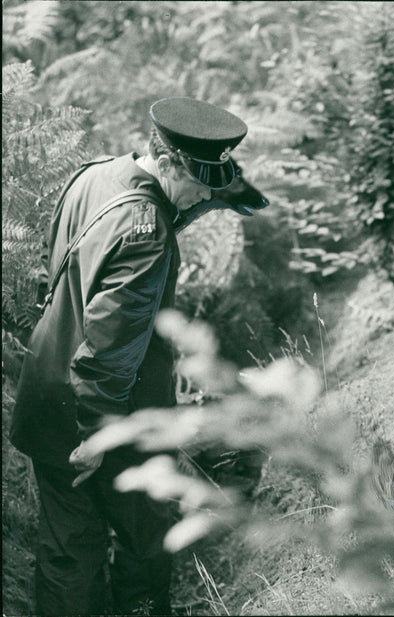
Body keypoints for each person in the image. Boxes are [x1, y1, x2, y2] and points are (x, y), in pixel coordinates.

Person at [10, 97, 253, 616]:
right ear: (167, 163)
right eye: (202, 181)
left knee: (65, 549)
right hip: (103, 411)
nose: (208, 193)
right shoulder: (149, 233)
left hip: (46, 390)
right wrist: (98, 434)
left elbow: (60, 270)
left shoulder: (95, 174)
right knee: (143, 544)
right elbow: (111, 344)